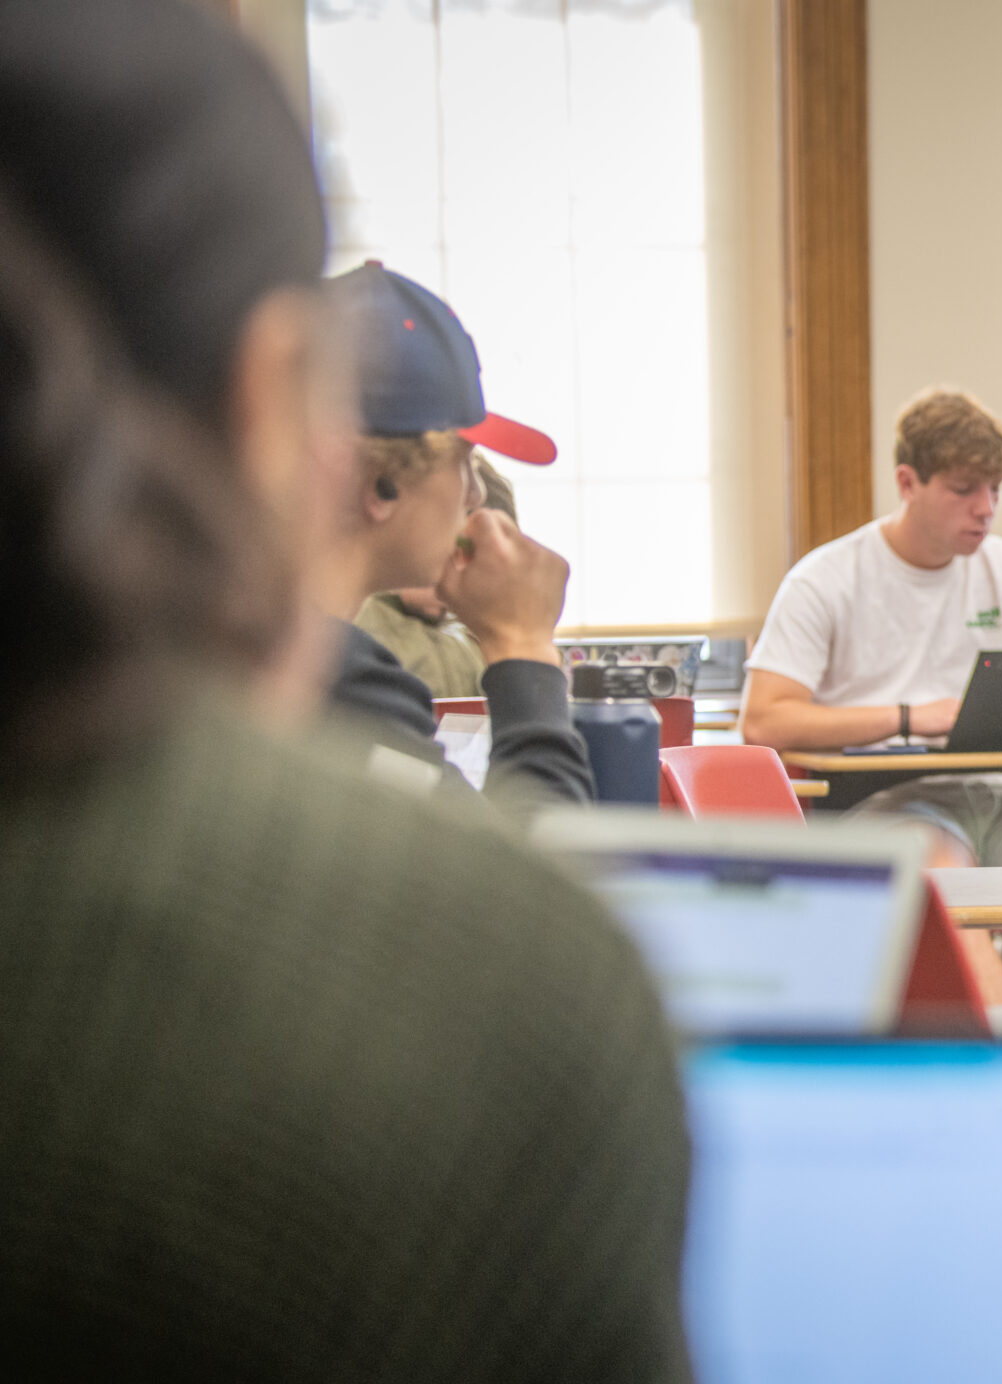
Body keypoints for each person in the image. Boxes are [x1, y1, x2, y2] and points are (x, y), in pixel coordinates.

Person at [0, 2, 690, 1377]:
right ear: (297, 428)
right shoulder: (476, 971)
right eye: (460, 470)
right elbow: (520, 877)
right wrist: (525, 662)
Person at [742, 387, 1002, 941]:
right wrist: (908, 717)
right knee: (950, 899)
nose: (986, 508)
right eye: (964, 490)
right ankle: (991, 1024)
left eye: (995, 490)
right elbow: (765, 720)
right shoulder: (826, 579)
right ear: (906, 483)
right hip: (885, 801)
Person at [323, 262, 593, 810]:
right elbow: (527, 885)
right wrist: (523, 647)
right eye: (463, 463)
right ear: (381, 483)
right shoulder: (341, 689)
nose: (474, 496)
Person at [351, 454, 516, 699]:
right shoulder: (358, 625)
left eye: (473, 556)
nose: (456, 568)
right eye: (453, 547)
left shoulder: (475, 634)